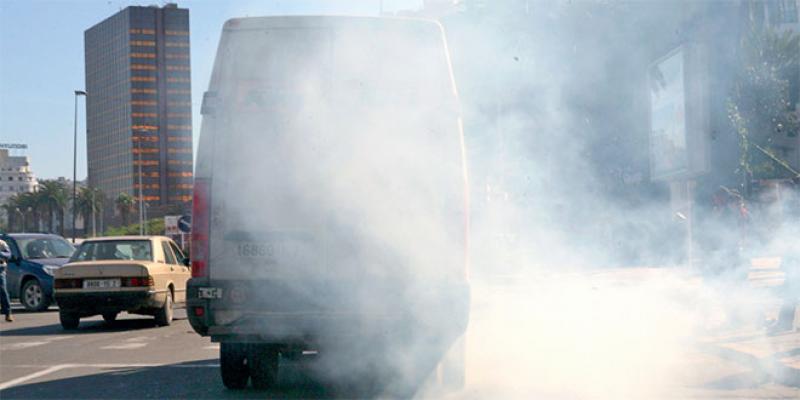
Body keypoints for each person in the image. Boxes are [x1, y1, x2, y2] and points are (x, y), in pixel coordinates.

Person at [0, 239, 13, 322]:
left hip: (0, 269)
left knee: (3, 290)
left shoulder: (2, 243)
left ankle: (8, 313)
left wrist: (0, 254)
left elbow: (8, 254)